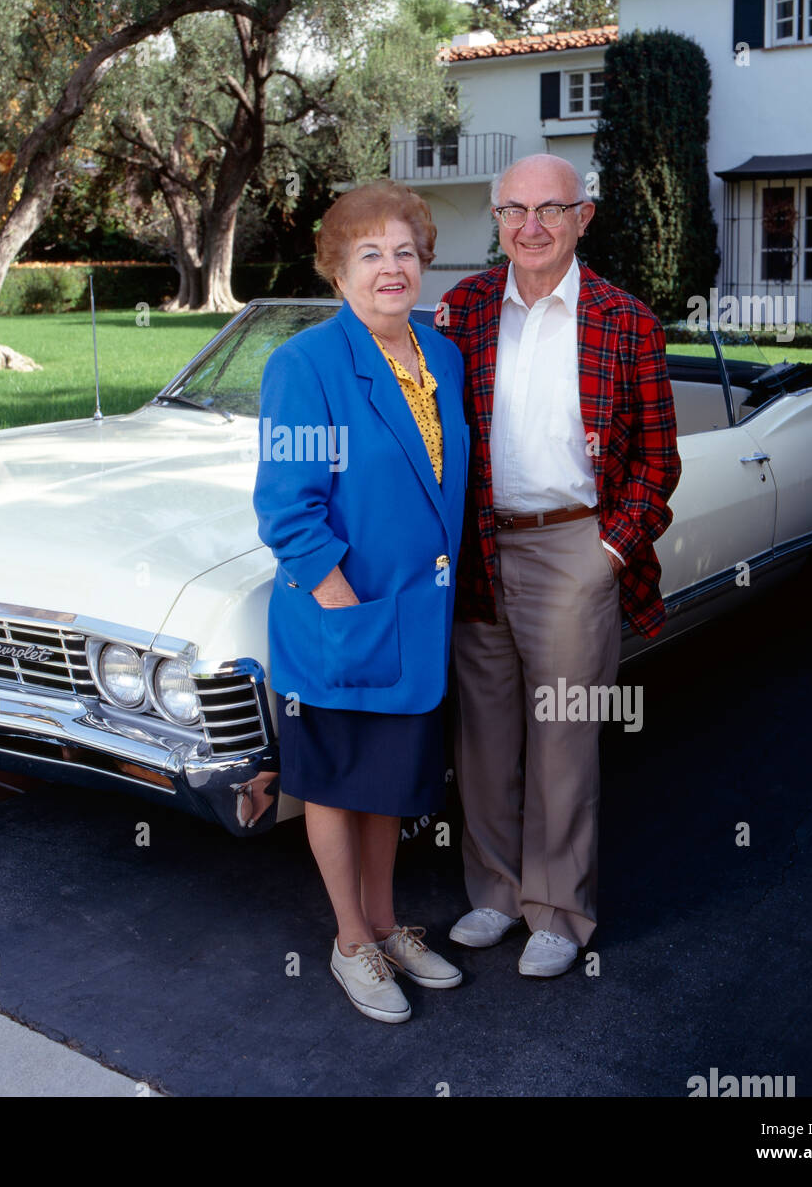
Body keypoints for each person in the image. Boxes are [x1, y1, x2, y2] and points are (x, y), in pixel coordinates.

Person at [439, 154, 681, 977]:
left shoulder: (625, 319)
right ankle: (494, 894)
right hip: (479, 544)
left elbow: (656, 461)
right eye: (513, 210)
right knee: (482, 737)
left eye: (550, 209)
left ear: (583, 217)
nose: (530, 226)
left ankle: (558, 911)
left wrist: (608, 551)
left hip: (576, 545)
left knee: (564, 740)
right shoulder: (462, 310)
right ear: (496, 218)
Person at [253, 179, 470, 1023]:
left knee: (390, 785)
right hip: (343, 621)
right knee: (339, 785)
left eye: (405, 252)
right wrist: (345, 608)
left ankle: (386, 923)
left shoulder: (440, 357)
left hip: (417, 621)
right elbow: (287, 511)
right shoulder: (303, 365)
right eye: (369, 253)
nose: (391, 268)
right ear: (336, 269)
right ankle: (350, 944)